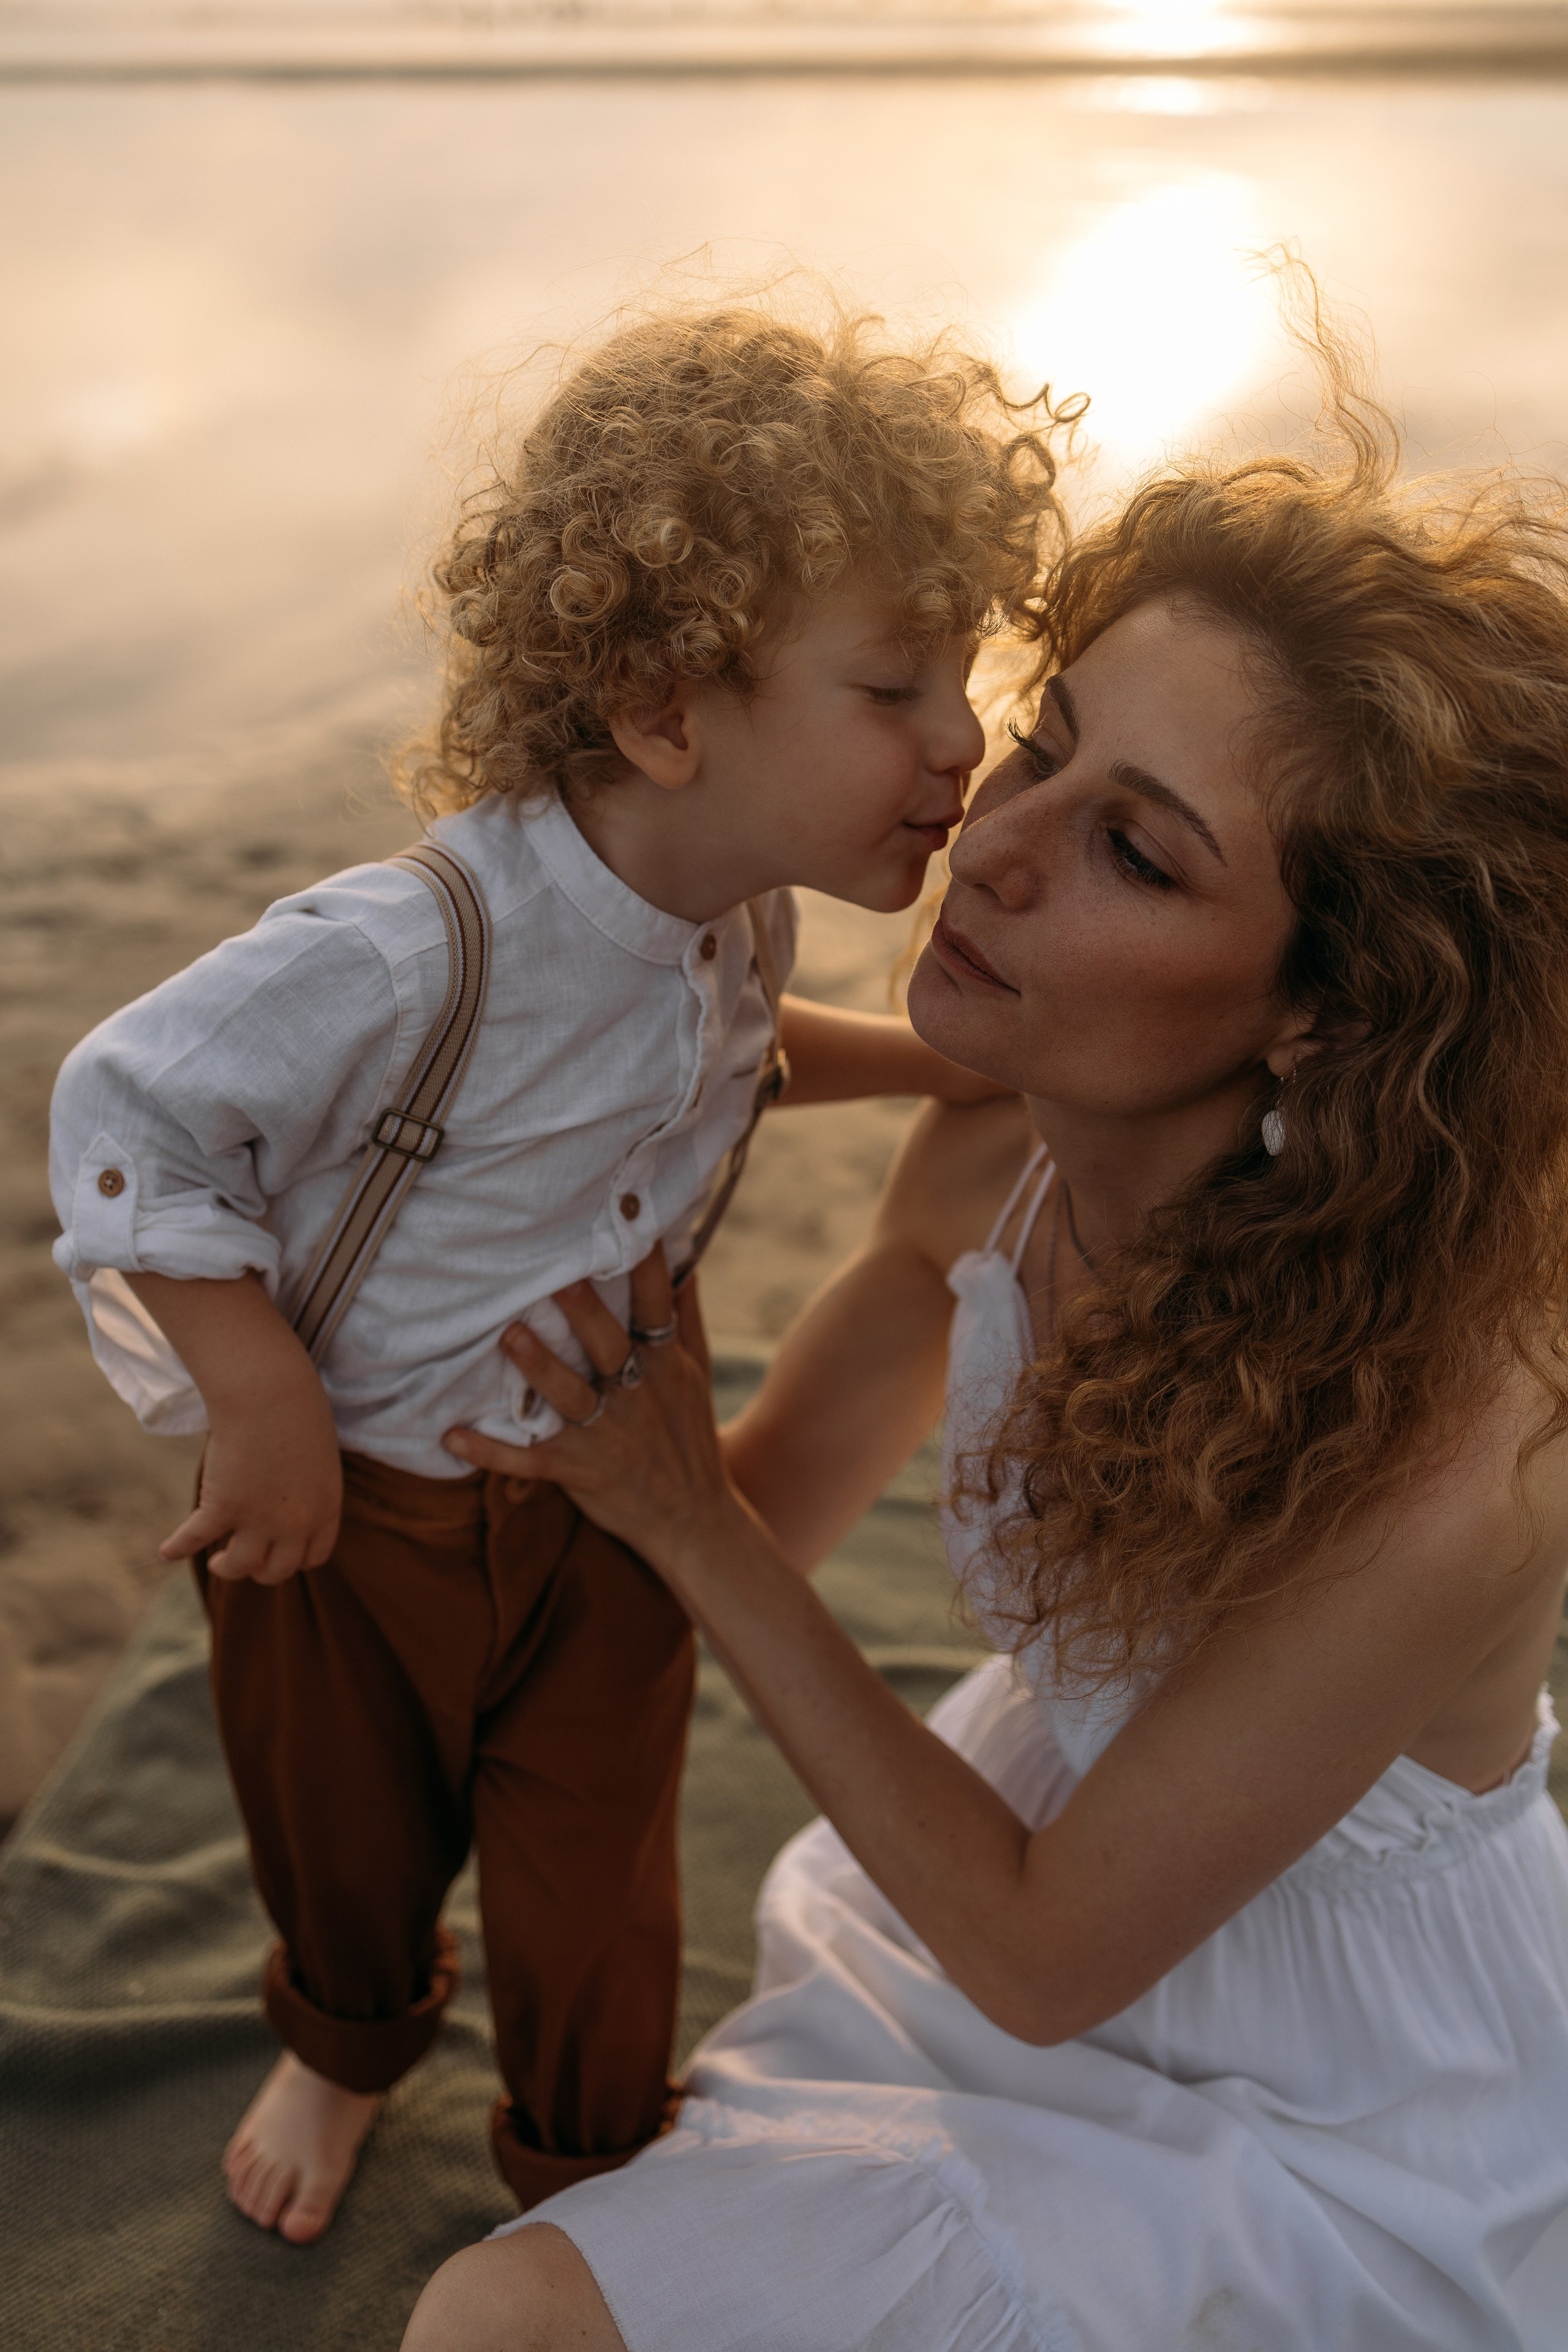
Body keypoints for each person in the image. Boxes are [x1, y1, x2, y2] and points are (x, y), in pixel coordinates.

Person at [405, 343, 1568, 2350]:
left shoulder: (1464, 1448)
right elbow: (769, 1485)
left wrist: (689, 1530)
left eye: (1142, 848)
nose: (998, 845)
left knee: (494, 2329)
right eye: (1045, 748)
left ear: (1327, 1003)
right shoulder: (987, 1154)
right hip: (1019, 1878)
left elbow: (1043, 1956)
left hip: (1333, 2101)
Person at [47, 305, 1065, 2245]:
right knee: (343, 1836)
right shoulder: (415, 945)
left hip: (607, 1494)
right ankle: (344, 2045)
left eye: (968, 679)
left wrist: (940, 1057)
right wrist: (253, 1398)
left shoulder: (729, 908)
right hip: (361, 1506)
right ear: (665, 707)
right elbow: (134, 1105)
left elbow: (737, 1048)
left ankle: (584, 2163)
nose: (964, 742)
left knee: (600, 1873)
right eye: (896, 688)